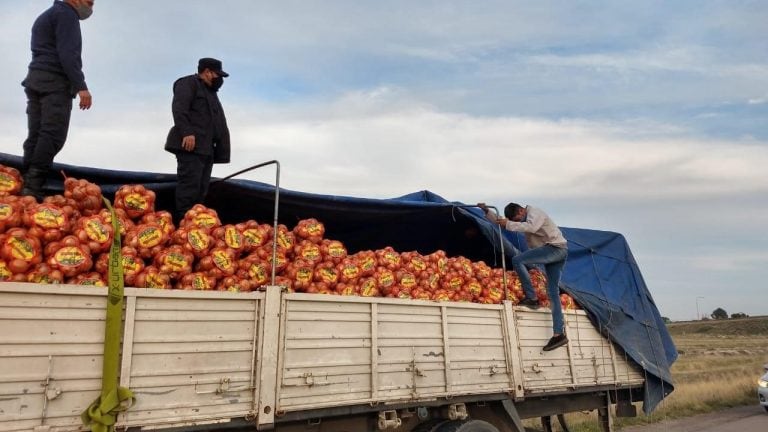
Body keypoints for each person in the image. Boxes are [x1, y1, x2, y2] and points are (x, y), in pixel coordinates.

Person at [21, 0, 95, 201]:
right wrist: (82, 87)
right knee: (52, 134)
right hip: (54, 83)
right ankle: (33, 187)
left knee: (36, 134)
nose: (91, 7)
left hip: (35, 79)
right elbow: (68, 55)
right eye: (89, 2)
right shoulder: (67, 16)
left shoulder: (47, 15)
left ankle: (25, 182)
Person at [478, 202, 569, 351]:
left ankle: (532, 298)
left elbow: (530, 227)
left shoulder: (535, 213)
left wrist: (509, 224)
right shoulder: (524, 218)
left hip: (555, 248)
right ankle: (559, 334)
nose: (519, 222)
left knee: (517, 260)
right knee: (553, 293)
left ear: (521, 210)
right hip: (557, 251)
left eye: (518, 218)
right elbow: (504, 223)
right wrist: (487, 211)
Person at [165, 58, 231, 223]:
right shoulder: (188, 84)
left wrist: (221, 149)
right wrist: (187, 132)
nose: (220, 79)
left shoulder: (211, 93)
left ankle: (194, 226)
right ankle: (183, 226)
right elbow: (179, 108)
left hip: (207, 149)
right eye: (218, 74)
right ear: (207, 72)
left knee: (201, 191)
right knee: (189, 189)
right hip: (191, 148)